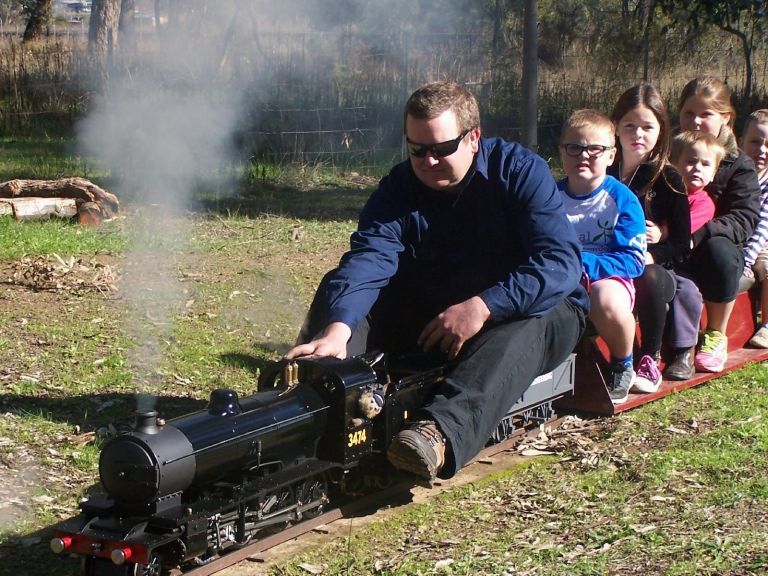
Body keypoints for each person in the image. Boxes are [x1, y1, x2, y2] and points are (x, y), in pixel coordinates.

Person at [285, 81, 588, 482]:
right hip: (439, 304)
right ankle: (307, 400)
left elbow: (559, 263)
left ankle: (440, 431)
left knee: (525, 323)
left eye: (441, 149)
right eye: (417, 150)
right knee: (339, 290)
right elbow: (370, 257)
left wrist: (483, 306)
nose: (428, 162)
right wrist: (339, 329)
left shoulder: (519, 172)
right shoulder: (397, 188)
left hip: (529, 311)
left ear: (474, 137)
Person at [608, 83, 698, 388]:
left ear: (661, 130)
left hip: (656, 271)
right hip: (607, 262)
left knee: (646, 275)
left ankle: (649, 356)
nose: (637, 134)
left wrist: (654, 250)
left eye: (647, 126)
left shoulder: (668, 179)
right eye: (629, 125)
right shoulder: (601, 170)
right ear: (615, 128)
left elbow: (682, 245)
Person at [556, 109, 646, 405]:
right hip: (558, 277)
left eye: (595, 149)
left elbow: (633, 260)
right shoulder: (548, 197)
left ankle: (623, 362)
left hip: (608, 279)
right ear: (561, 151)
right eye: (575, 147)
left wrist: (584, 265)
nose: (584, 155)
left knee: (603, 296)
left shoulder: (622, 200)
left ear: (611, 155)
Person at [677, 77, 761, 372]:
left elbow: (744, 218)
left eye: (706, 114)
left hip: (715, 250)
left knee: (720, 251)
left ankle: (715, 333)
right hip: (670, 242)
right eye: (689, 113)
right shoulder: (670, 152)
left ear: (725, 118)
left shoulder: (738, 165)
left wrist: (702, 233)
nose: (696, 121)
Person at [738, 109, 768, 347]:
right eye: (755, 142)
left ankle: (767, 325)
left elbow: (762, 228)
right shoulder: (737, 175)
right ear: (741, 143)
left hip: (763, 241)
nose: (762, 150)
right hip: (740, 240)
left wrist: (746, 261)